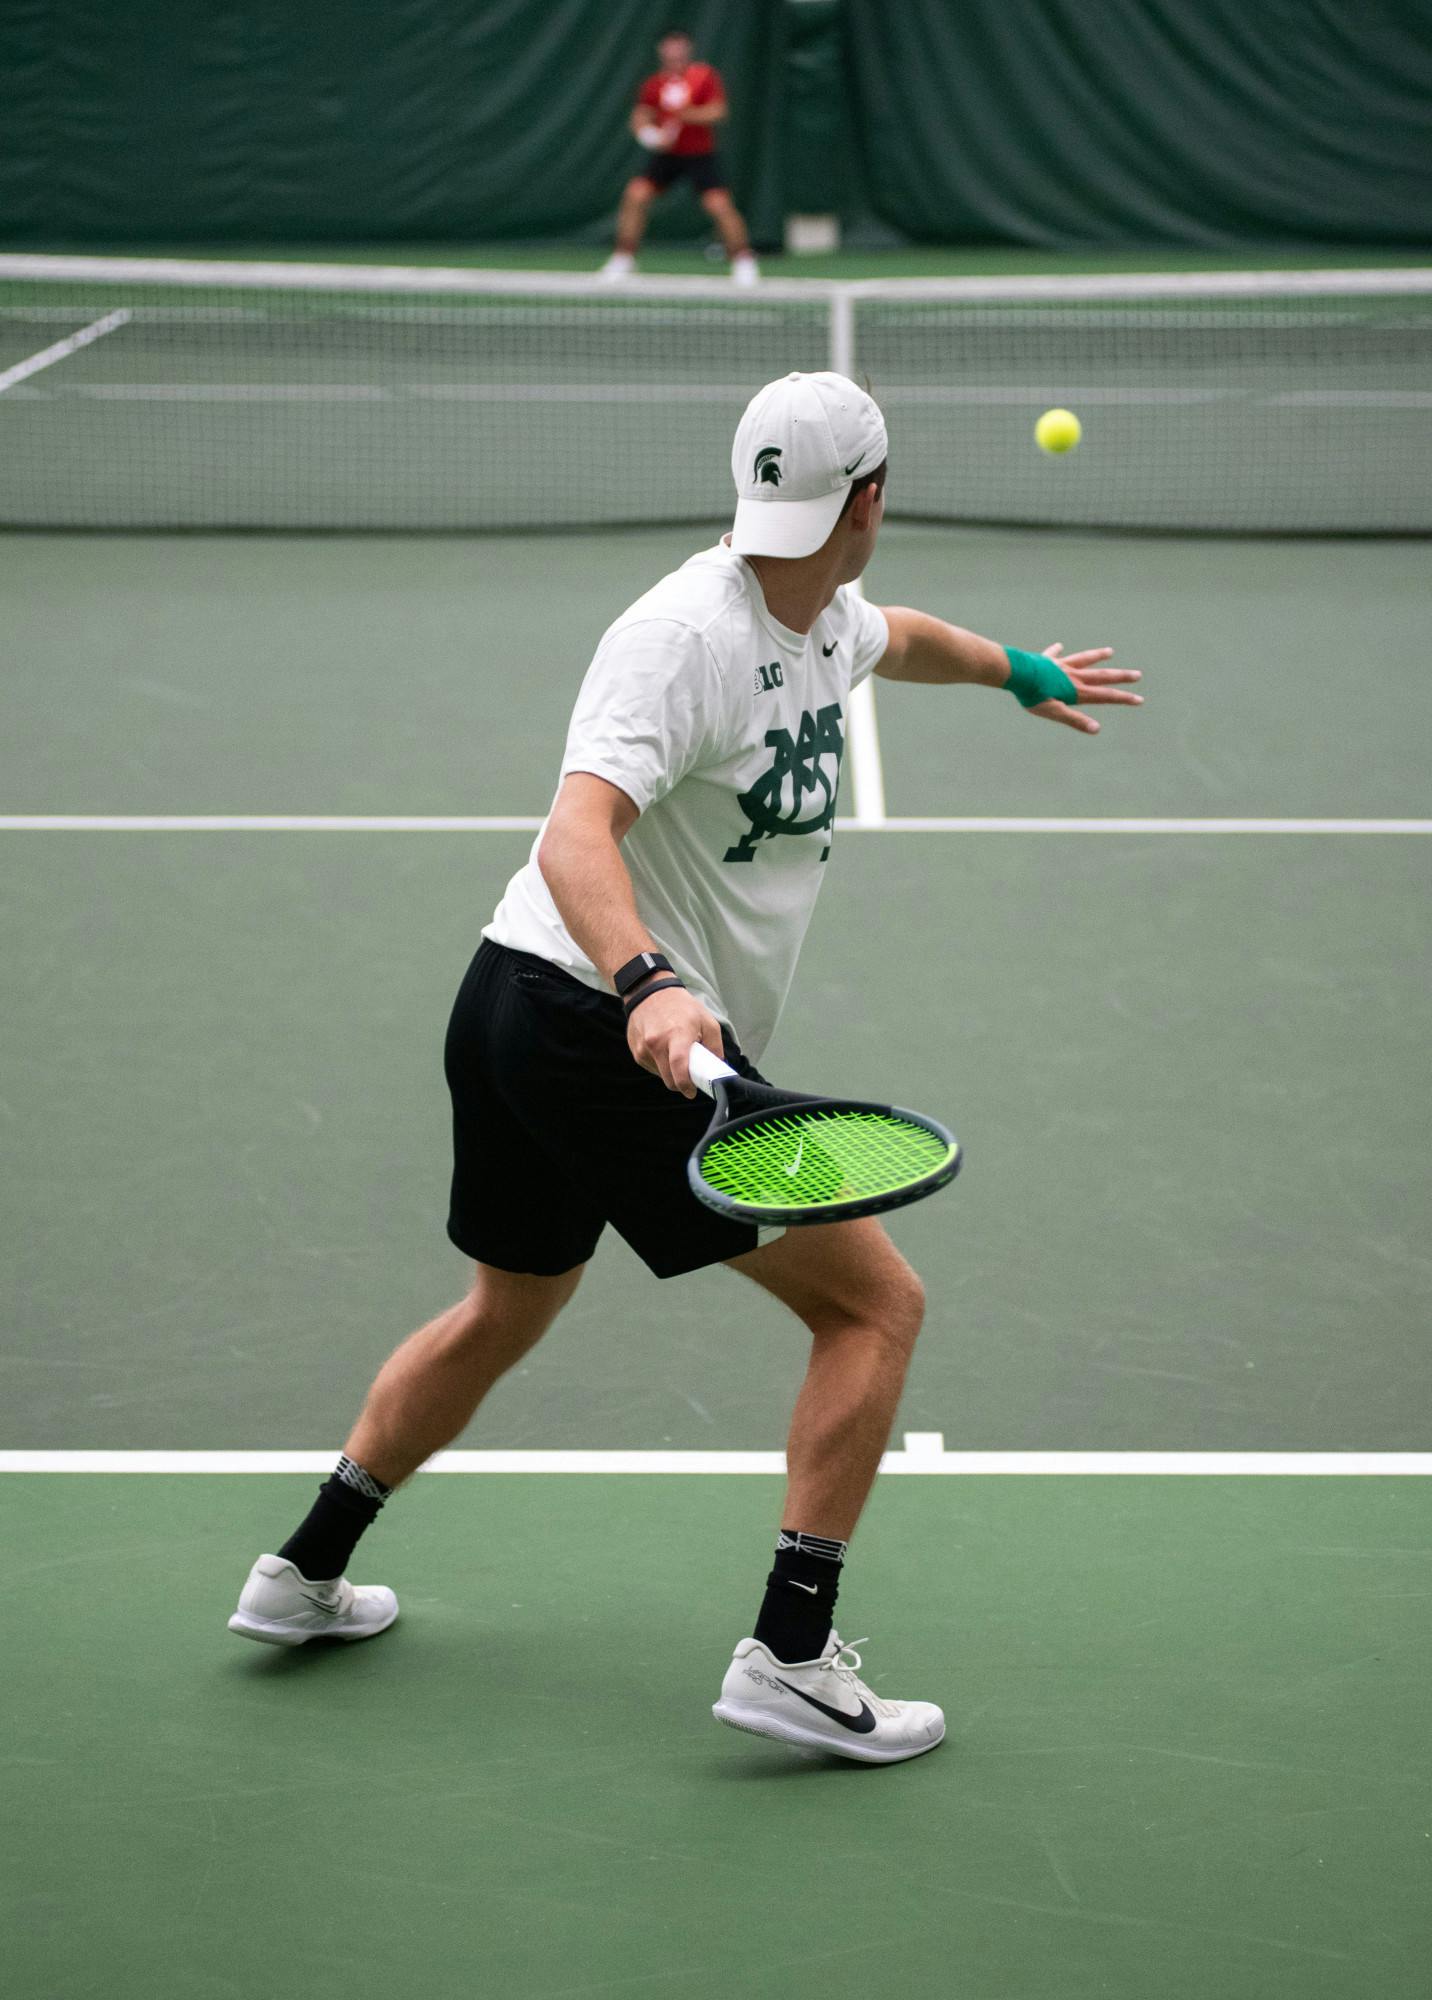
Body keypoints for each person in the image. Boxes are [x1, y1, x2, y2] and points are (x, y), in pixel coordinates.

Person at [229, 372, 1142, 1764]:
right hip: (603, 1021)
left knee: (507, 1309)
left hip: (515, 1005)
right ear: (875, 501)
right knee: (875, 1308)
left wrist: (1024, 673)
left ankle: (302, 1571)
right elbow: (574, 834)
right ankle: (789, 1653)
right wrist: (648, 982)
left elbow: (911, 640)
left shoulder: (827, 617)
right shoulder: (677, 638)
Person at [600, 26, 758, 285]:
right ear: (661, 50)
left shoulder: (704, 77)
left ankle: (743, 261)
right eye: (669, 47)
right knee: (635, 195)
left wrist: (686, 113)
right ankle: (623, 258)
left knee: (718, 205)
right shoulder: (654, 84)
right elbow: (640, 117)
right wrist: (650, 136)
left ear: (688, 49)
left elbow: (718, 112)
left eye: (679, 46)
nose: (674, 52)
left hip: (700, 154)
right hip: (667, 157)